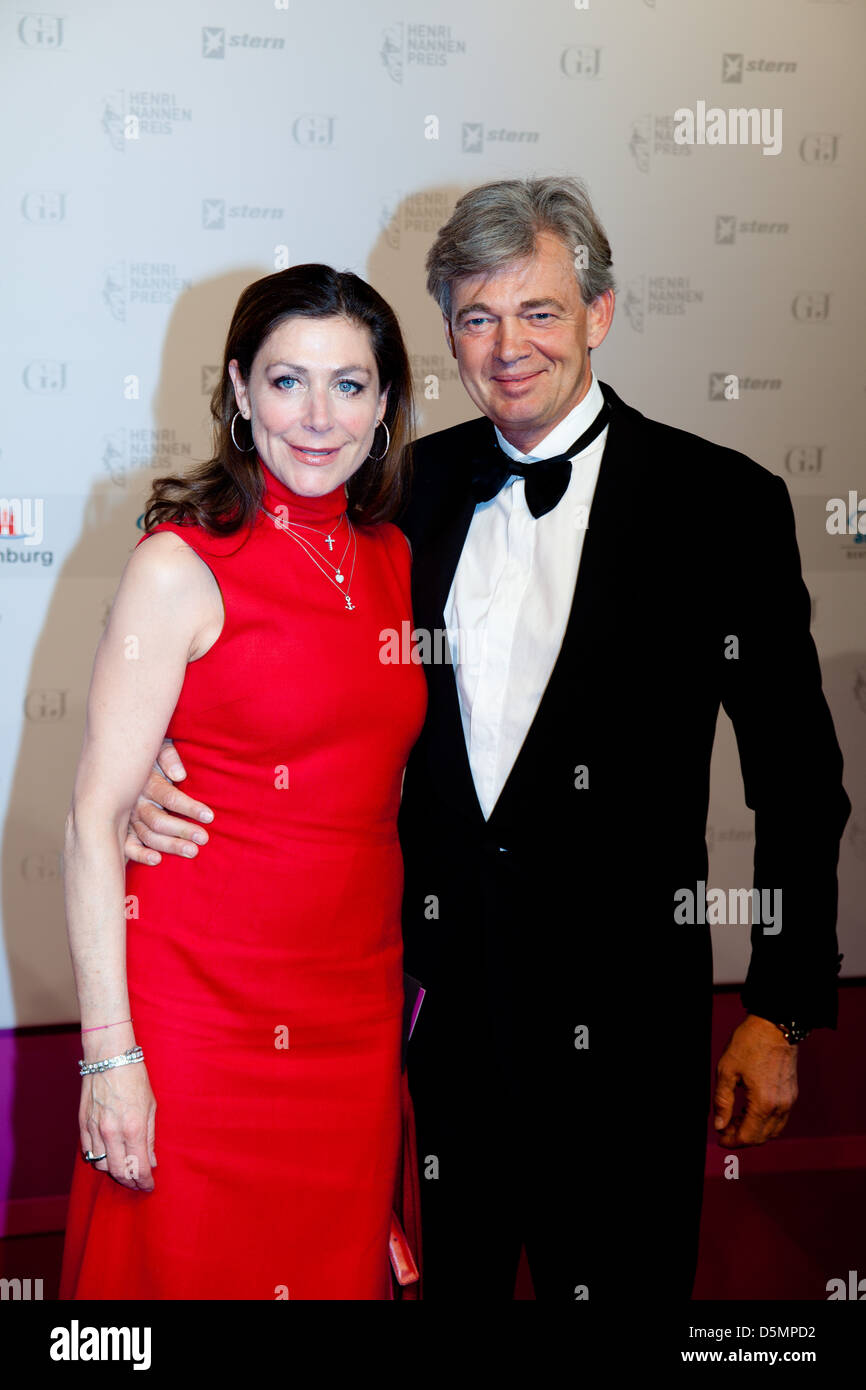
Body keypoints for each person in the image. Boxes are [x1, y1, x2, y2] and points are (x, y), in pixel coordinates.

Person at [127, 177, 851, 1302]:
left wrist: (778, 1004)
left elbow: (796, 778)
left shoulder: (721, 506)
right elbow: (287, 678)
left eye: (540, 311)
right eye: (474, 316)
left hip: (623, 1033)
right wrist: (142, 776)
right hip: (429, 1030)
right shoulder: (396, 493)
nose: (507, 346)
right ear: (448, 335)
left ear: (599, 314)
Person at [59, 265, 427, 1300]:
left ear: (386, 402)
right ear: (236, 387)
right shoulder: (180, 564)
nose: (317, 417)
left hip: (352, 1025)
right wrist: (107, 1057)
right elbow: (94, 822)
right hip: (197, 1020)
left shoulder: (398, 557)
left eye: (349, 385)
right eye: (285, 381)